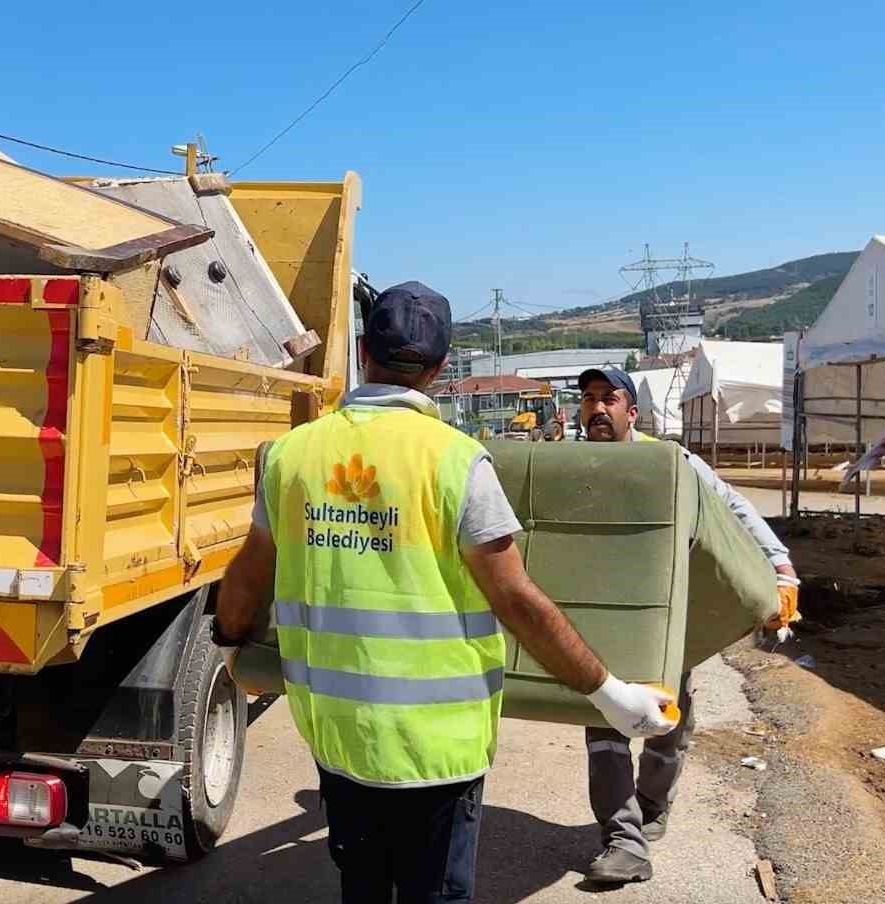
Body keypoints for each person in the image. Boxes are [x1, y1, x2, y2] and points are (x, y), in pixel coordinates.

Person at [211, 282, 678, 904]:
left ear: (362, 352)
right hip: (437, 749)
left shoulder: (291, 456)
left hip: (339, 735)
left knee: (364, 888)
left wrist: (230, 639)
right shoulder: (457, 461)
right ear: (437, 368)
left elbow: (248, 573)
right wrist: (609, 693)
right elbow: (516, 600)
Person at [575, 366, 799, 885]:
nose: (597, 408)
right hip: (603, 615)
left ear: (632, 412)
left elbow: (733, 507)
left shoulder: (670, 461)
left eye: (609, 398)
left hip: (665, 614)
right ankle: (622, 838)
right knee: (603, 722)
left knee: (667, 721)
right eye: (588, 399)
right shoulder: (571, 464)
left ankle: (651, 808)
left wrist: (780, 566)